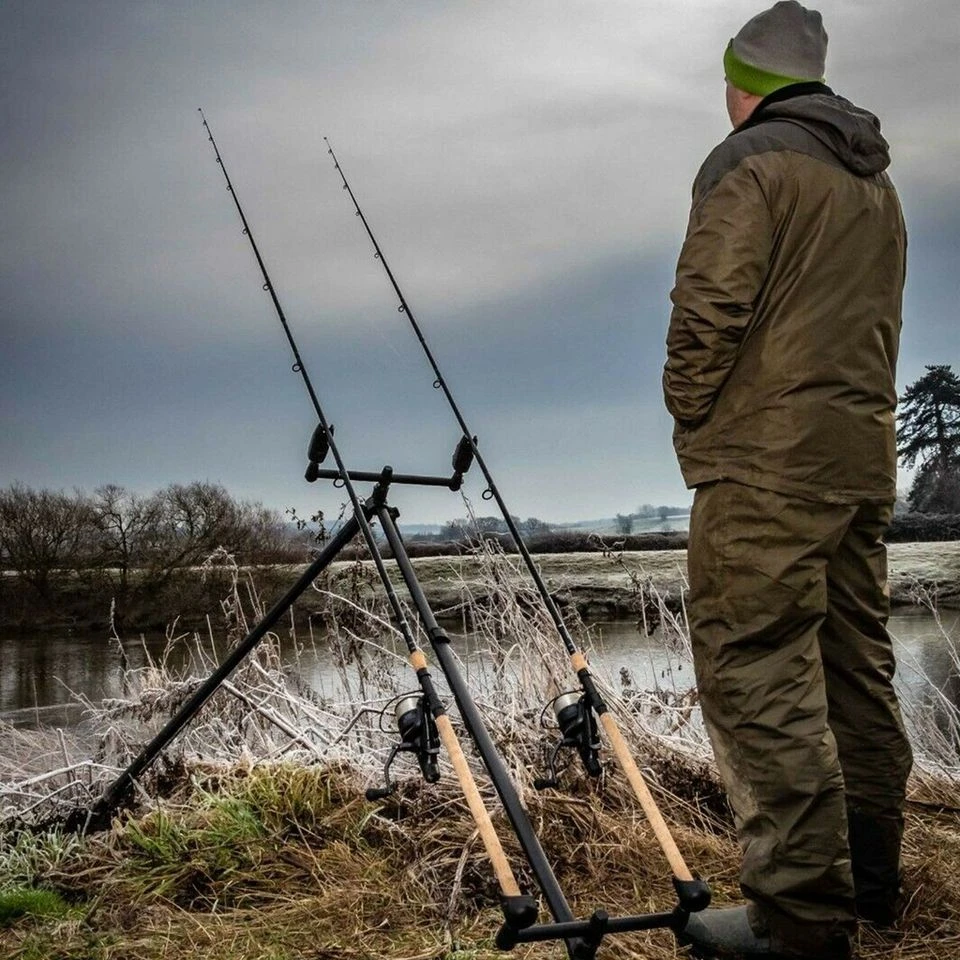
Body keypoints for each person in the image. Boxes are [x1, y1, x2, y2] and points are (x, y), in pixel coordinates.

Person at [662, 3, 913, 958]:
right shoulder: (873, 179)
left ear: (744, 81)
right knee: (854, 668)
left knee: (757, 669)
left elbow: (709, 313)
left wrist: (690, 406)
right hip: (857, 463)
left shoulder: (748, 160)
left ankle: (803, 922)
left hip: (766, 468)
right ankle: (873, 885)